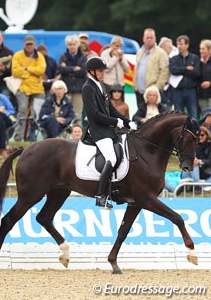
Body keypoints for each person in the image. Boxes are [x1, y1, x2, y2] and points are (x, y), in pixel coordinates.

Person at [82, 57, 131, 209]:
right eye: (100, 71)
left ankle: (116, 189)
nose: (103, 73)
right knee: (111, 157)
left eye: (103, 71)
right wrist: (115, 122)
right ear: (92, 72)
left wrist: (127, 121)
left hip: (108, 130)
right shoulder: (87, 88)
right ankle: (101, 195)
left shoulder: (101, 85)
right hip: (98, 131)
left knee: (123, 153)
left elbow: (110, 109)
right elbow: (94, 114)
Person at [12, 35, 46, 141]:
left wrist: (27, 69)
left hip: (37, 89)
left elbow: (42, 70)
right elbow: (15, 71)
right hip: (23, 88)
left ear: (34, 44)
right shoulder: (17, 55)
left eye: (31, 44)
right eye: (28, 44)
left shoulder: (40, 56)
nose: (29, 46)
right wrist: (32, 73)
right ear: (24, 44)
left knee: (37, 113)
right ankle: (18, 137)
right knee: (22, 111)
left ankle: (33, 138)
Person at [133, 28, 169, 108]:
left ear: (155, 38)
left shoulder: (161, 53)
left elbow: (164, 72)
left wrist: (157, 88)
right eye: (147, 38)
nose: (149, 40)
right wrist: (135, 86)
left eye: (151, 37)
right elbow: (136, 69)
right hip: (139, 91)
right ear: (143, 39)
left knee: (154, 118)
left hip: (153, 93)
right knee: (141, 116)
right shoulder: (139, 52)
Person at [169, 35, 200, 119]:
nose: (179, 46)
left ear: (187, 45)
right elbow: (174, 71)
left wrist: (181, 71)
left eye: (181, 44)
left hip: (191, 91)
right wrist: (186, 69)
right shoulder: (173, 59)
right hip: (178, 91)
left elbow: (196, 73)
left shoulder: (194, 58)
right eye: (178, 44)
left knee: (194, 115)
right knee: (178, 116)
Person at [57, 34, 87, 120]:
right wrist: (74, 68)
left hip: (79, 89)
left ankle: (78, 132)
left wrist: (67, 69)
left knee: (78, 114)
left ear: (77, 45)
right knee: (65, 113)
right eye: (70, 45)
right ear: (67, 45)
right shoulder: (63, 56)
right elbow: (60, 70)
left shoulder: (83, 57)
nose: (72, 46)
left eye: (74, 44)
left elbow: (83, 71)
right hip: (66, 89)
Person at [182, 126, 211, 194]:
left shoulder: (209, 146)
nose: (200, 137)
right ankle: (197, 185)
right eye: (197, 135)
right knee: (190, 163)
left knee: (194, 164)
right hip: (192, 170)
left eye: (202, 135)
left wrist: (200, 162)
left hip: (206, 171)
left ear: (207, 135)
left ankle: (196, 185)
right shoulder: (192, 145)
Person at [198, 39, 211, 113]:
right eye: (200, 49)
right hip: (201, 95)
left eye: (203, 49)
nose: (201, 51)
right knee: (204, 117)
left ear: (209, 50)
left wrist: (209, 83)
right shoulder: (198, 62)